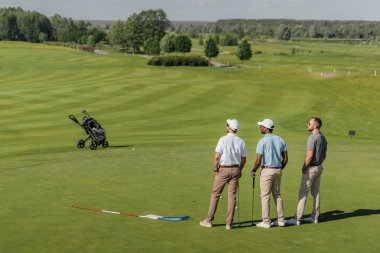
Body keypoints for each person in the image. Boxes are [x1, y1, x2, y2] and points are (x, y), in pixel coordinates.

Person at [200, 119, 247, 230]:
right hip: (235, 169)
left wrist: (215, 170)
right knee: (232, 196)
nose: (226, 126)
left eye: (227, 125)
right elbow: (244, 159)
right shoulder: (241, 141)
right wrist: (240, 170)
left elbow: (217, 157)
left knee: (215, 194)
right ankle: (229, 224)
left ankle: (209, 220)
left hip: (223, 170)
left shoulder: (223, 139)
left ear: (229, 128)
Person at [287, 117, 328, 225]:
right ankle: (315, 217)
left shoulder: (312, 138)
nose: (307, 125)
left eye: (309, 123)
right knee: (316, 193)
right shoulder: (323, 137)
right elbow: (324, 155)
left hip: (311, 168)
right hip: (319, 167)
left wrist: (304, 166)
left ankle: (297, 218)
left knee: (303, 193)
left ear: (315, 125)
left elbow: (309, 156)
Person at [251, 119, 288, 228]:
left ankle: (266, 221)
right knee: (277, 194)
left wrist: (253, 170)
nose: (260, 128)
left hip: (267, 170)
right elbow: (285, 159)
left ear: (267, 128)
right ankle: (281, 220)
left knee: (265, 196)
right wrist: (279, 169)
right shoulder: (280, 139)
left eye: (262, 126)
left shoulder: (262, 141)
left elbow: (258, 160)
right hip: (278, 170)